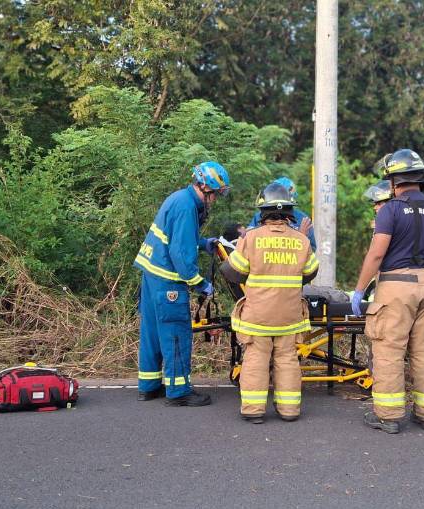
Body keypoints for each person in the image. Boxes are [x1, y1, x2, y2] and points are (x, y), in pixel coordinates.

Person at [351, 149, 424, 434]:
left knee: (388, 350)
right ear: (421, 178)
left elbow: (376, 254)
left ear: (394, 180)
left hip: (397, 285)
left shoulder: (391, 210)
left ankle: (389, 416)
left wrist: (360, 290)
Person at [134, 161, 230, 406]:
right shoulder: (187, 207)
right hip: (168, 283)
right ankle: (178, 392)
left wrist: (201, 242)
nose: (214, 200)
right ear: (205, 187)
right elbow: (180, 253)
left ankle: (149, 386)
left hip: (152, 277)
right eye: (215, 195)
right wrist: (200, 283)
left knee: (152, 333)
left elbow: (177, 237)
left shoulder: (179, 199)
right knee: (176, 334)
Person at [224, 182, 319, 423]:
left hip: (258, 317)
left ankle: (254, 411)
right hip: (289, 317)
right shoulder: (301, 240)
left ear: (262, 211)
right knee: (287, 360)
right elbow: (310, 273)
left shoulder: (252, 238)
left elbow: (232, 271)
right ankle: (289, 411)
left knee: (256, 359)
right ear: (289, 212)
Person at [248, 177, 316, 250]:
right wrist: (300, 238)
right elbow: (249, 241)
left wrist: (301, 239)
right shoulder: (259, 216)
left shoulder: (303, 219)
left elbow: (312, 248)